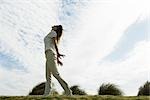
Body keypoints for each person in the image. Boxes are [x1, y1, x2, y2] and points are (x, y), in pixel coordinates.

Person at [43, 25, 72, 96]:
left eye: (55, 26)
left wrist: (58, 54)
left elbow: (55, 43)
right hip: (49, 54)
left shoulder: (53, 33)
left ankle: (68, 91)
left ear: (56, 29)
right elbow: (53, 46)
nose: (53, 26)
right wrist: (58, 59)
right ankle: (46, 94)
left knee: (55, 74)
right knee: (48, 76)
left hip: (50, 53)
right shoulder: (51, 33)